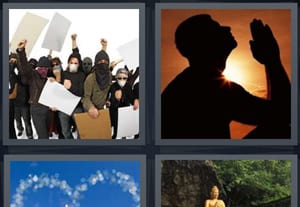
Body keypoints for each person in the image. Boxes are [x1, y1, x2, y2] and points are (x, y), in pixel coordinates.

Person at [161, 15, 290, 139]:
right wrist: (272, 59)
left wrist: (270, 60)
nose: (227, 28)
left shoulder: (193, 81)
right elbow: (284, 114)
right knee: (281, 130)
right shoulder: (212, 87)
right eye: (216, 28)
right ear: (205, 42)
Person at [16, 39, 55, 139]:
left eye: (46, 68)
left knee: (46, 132)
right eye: (41, 67)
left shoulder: (50, 79)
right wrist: (21, 51)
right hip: (36, 109)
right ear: (37, 67)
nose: (43, 69)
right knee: (43, 137)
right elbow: (24, 67)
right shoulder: (32, 75)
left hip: (48, 110)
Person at [82, 39, 112, 119]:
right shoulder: (90, 79)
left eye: (105, 62)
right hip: (90, 110)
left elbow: (108, 90)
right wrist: (91, 107)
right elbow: (86, 98)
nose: (103, 63)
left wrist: (107, 100)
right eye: (100, 62)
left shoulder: (109, 75)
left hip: (102, 109)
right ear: (96, 63)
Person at [107, 68, 139, 138]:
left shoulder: (128, 86)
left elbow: (131, 97)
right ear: (116, 78)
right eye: (119, 78)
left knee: (125, 131)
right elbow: (109, 100)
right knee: (116, 131)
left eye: (124, 78)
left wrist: (135, 100)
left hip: (125, 112)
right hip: (114, 112)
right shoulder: (113, 86)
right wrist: (114, 99)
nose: (122, 80)